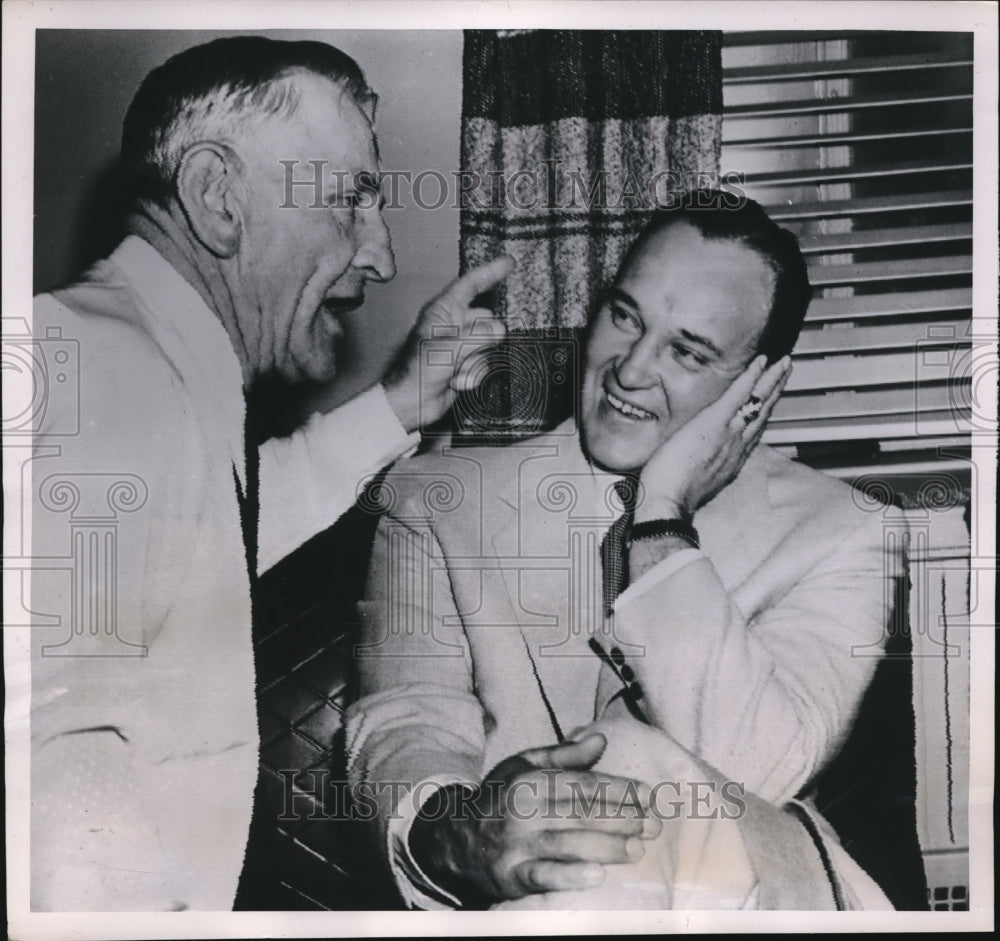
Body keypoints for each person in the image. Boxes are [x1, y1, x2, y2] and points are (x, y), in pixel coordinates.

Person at [29, 36, 512, 912]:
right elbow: (58, 774)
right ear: (218, 197)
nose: (383, 256)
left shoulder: (144, 368)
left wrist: (402, 401)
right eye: (351, 202)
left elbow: (204, 545)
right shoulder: (97, 368)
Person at [345, 192, 904, 909]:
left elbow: (752, 769)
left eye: (688, 350)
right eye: (625, 316)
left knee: (632, 762)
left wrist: (661, 520)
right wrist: (455, 832)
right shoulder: (435, 497)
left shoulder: (846, 530)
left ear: (759, 387)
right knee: (589, 821)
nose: (631, 369)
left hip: (758, 902)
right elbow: (407, 718)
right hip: (538, 902)